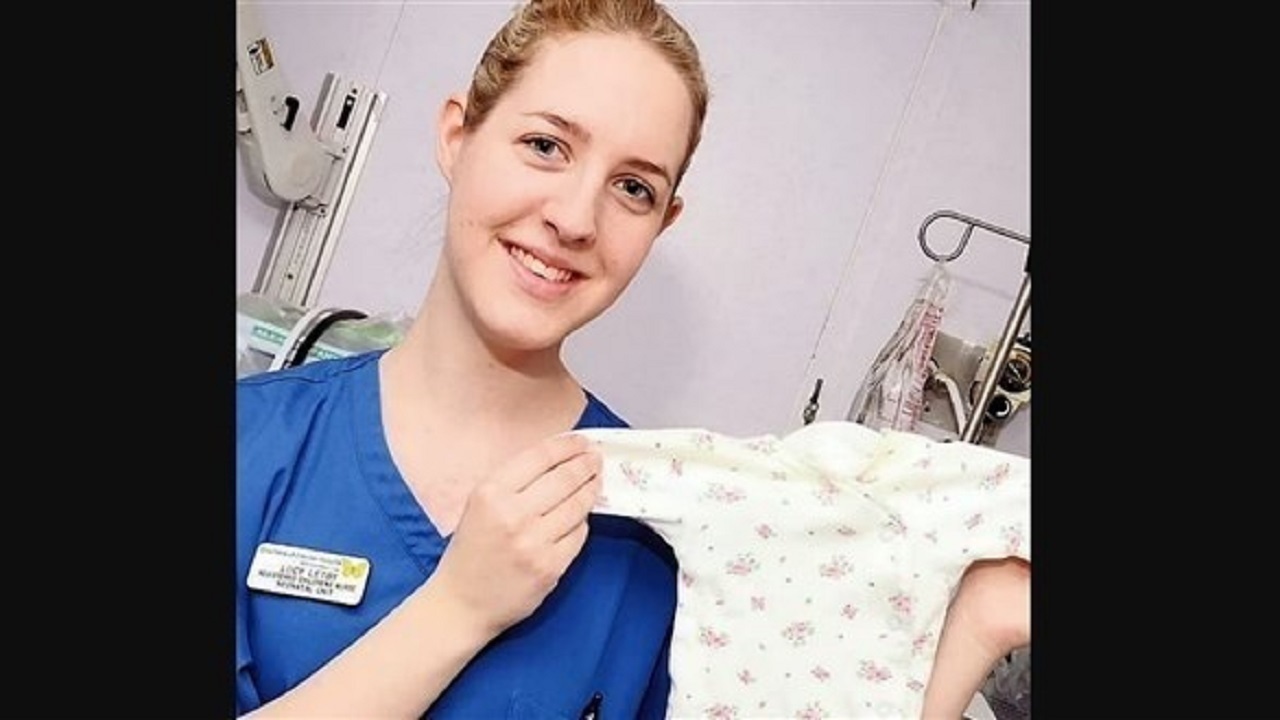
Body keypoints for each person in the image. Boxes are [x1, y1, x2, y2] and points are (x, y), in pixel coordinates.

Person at [235, 0, 1030, 717]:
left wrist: (973, 632)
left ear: (663, 222)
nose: (576, 218)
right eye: (545, 145)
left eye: (634, 189)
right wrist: (458, 609)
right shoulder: (252, 443)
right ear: (457, 136)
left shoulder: (660, 528)